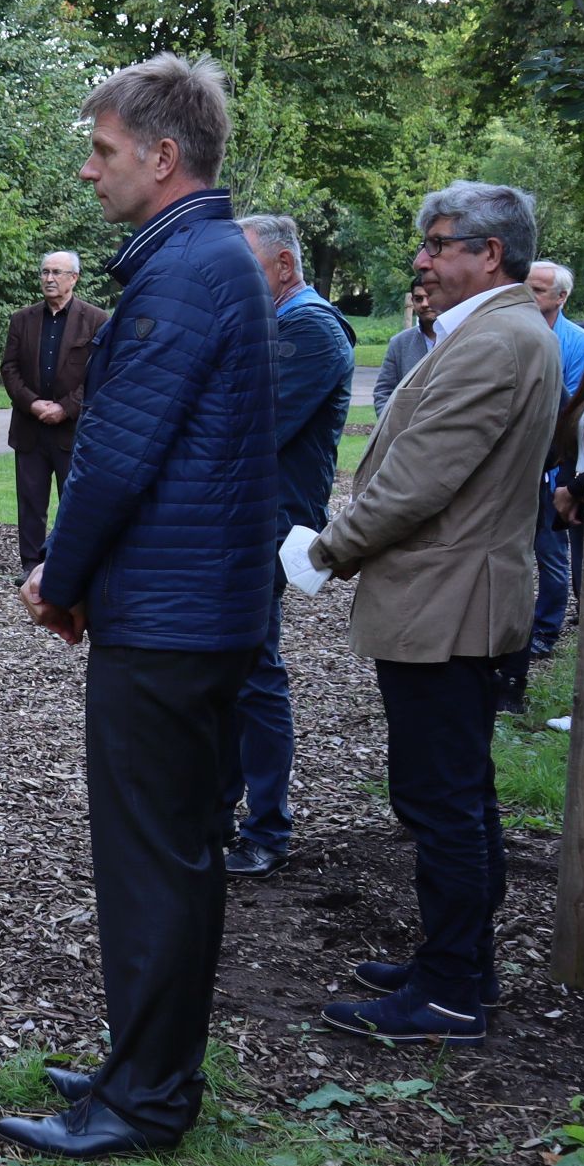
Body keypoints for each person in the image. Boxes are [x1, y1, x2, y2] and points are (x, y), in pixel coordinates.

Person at [0, 55, 273, 1161]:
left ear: (163, 157)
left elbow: (115, 455)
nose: (89, 167)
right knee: (176, 851)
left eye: (102, 148)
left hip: (171, 620)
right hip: (191, 608)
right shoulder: (208, 258)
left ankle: (147, 1098)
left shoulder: (183, 272)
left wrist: (58, 579)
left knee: (152, 859)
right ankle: (148, 1065)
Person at [305, 183, 560, 1044]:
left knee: (440, 800)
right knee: (458, 794)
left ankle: (449, 993)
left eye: (438, 243)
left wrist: (326, 551)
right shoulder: (502, 331)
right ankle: (462, 966)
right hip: (454, 598)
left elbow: (420, 482)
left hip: (449, 605)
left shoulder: (496, 341)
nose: (422, 259)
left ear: (490, 253)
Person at [221, 216, 356, 878]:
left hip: (269, 526)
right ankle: (223, 815)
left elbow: (247, 426)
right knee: (231, 672)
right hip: (244, 520)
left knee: (254, 674)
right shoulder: (276, 323)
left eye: (244, 266)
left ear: (282, 266)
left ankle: (267, 830)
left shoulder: (311, 329)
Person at [0, 250, 107, 573]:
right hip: (29, 428)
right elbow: (9, 368)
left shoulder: (96, 320)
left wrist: (66, 407)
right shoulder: (22, 319)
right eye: (45, 272)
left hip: (73, 429)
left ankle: (68, 567)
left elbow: (101, 372)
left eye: (56, 272)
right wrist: (32, 403)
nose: (48, 278)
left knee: (74, 503)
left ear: (74, 278)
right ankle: (31, 567)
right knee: (30, 503)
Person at [524, 260, 584, 660]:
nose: (528, 296)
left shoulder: (578, 344)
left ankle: (546, 630)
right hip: (518, 462)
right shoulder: (516, 332)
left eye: (537, 290)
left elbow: (571, 410)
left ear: (561, 297)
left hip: (554, 464)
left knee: (551, 550)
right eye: (526, 287)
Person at [370, 285, 435, 419]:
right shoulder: (399, 343)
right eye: (419, 299)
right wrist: (390, 425)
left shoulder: (460, 336)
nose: (425, 304)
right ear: (412, 301)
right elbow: (384, 391)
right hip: (407, 428)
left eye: (429, 297)